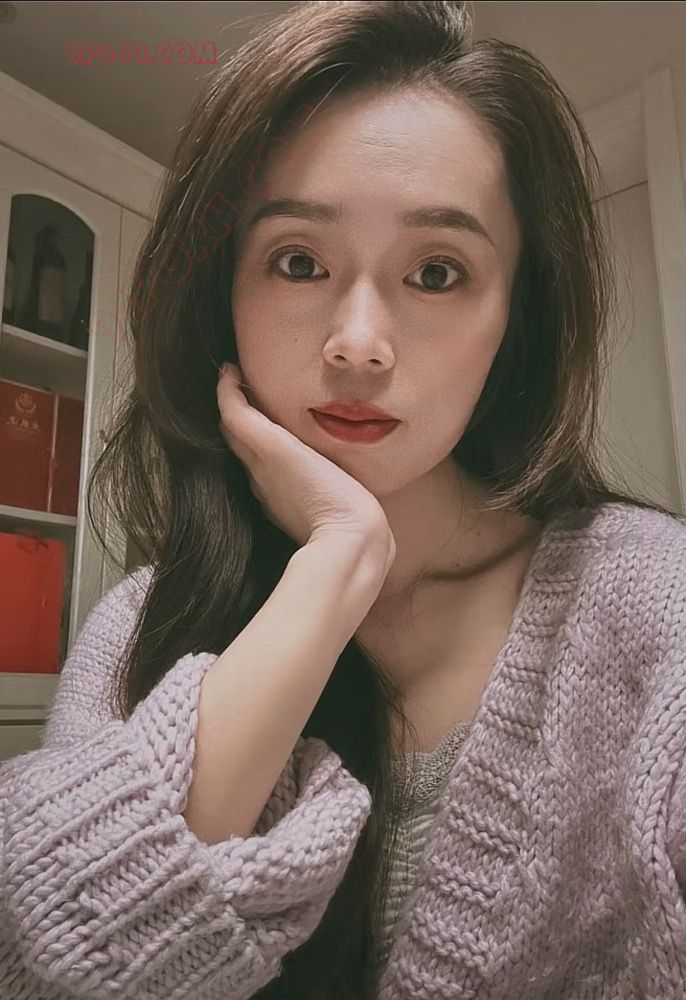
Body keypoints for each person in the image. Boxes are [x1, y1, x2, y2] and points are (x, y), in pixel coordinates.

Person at [1, 2, 685, 998]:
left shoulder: (656, 606)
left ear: (516, 319)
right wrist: (332, 568)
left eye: (437, 272)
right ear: (223, 297)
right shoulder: (142, 624)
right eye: (299, 261)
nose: (358, 344)